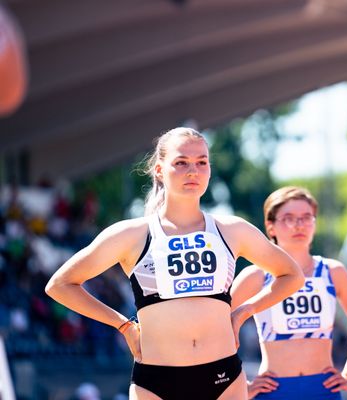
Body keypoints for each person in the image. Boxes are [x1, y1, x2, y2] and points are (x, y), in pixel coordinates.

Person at [45, 127, 304, 400]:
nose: (193, 171)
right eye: (181, 162)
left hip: (224, 378)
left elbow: (291, 275)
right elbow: (60, 285)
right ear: (159, 170)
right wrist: (123, 325)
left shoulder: (233, 230)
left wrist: (243, 312)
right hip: (156, 382)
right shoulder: (132, 234)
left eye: (202, 162)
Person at [231, 186, 347, 399]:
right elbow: (217, 329)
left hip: (323, 389)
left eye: (307, 217)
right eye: (288, 218)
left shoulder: (333, 271)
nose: (299, 225)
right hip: (273, 390)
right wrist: (242, 383)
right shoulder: (256, 276)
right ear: (270, 227)